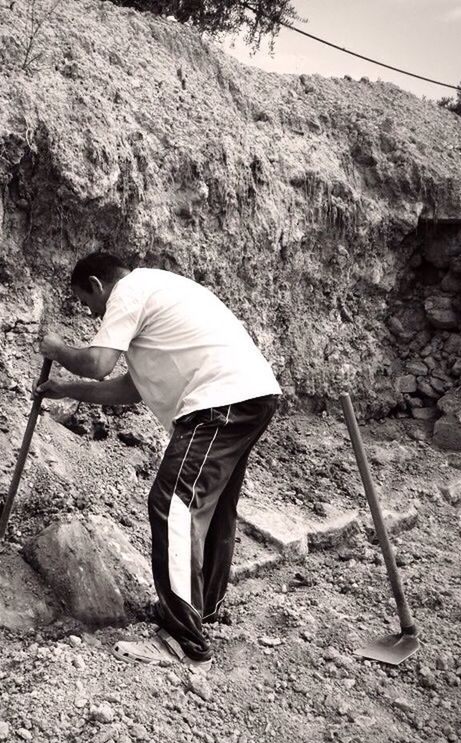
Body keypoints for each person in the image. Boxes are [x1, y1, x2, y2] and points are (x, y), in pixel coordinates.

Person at [37, 253, 281, 669]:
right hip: (251, 394)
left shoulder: (129, 291)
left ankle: (182, 640)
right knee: (214, 507)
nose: (91, 313)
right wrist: (66, 389)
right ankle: (202, 611)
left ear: (97, 285)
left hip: (216, 401)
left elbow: (98, 363)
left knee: (172, 505)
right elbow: (130, 389)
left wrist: (58, 349)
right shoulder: (160, 294)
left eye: (86, 302)